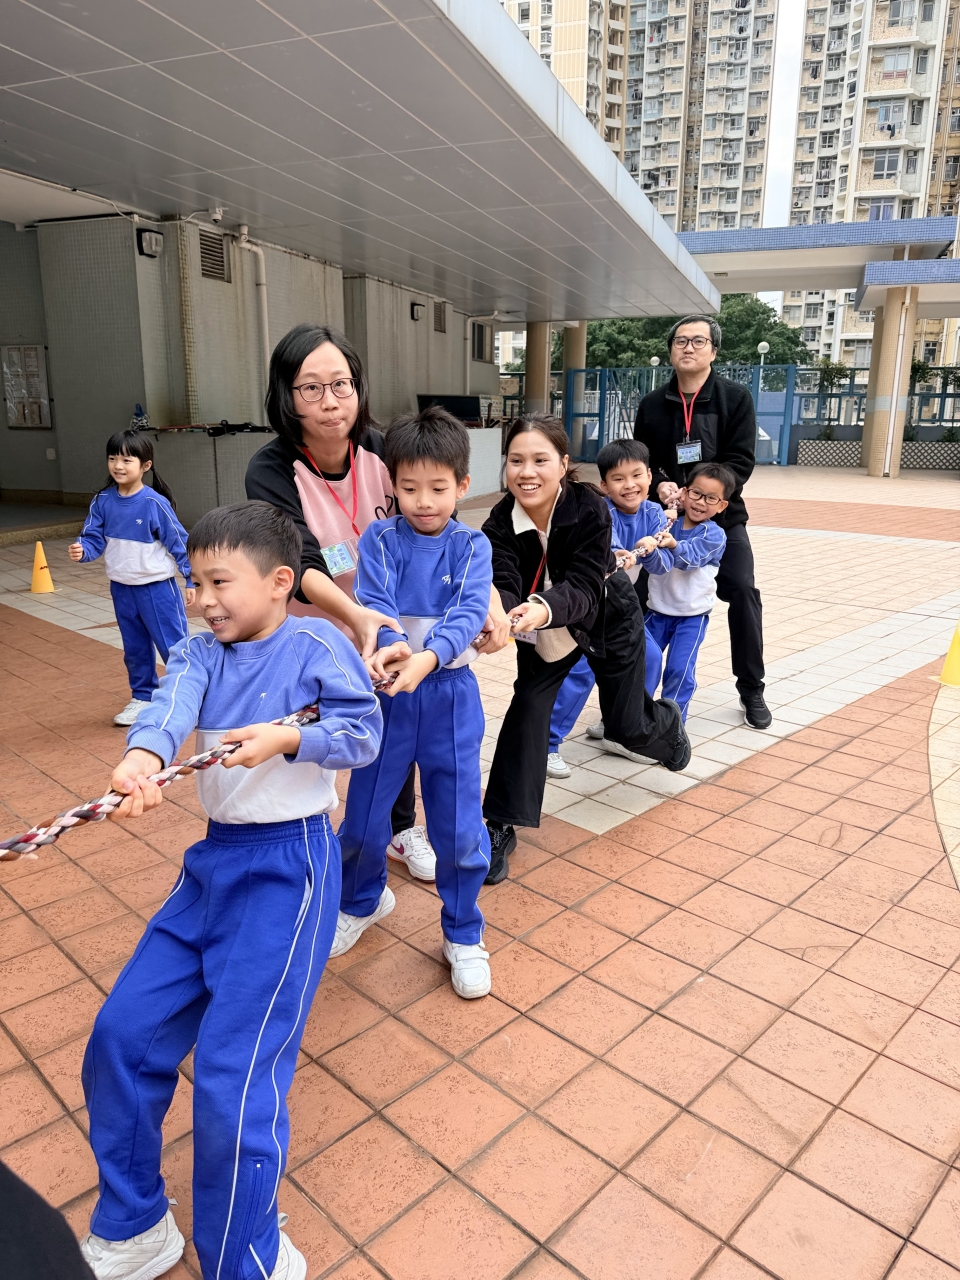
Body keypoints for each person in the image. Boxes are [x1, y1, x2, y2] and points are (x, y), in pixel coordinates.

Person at [79, 502, 382, 1280]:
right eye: (195, 582)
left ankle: (243, 1255)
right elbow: (170, 706)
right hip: (212, 865)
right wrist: (143, 758)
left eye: (220, 582)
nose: (203, 599)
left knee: (234, 1074)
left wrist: (291, 737)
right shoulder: (198, 652)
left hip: (292, 869)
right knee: (121, 1034)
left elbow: (363, 732)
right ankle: (134, 1224)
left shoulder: (316, 643)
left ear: (280, 582)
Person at [246, 324, 509, 883]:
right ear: (286, 395)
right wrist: (359, 617)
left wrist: (484, 596)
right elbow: (299, 562)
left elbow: (441, 520)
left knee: (397, 734)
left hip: (394, 633)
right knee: (334, 754)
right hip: (325, 631)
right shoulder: (270, 469)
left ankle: (401, 832)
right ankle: (313, 862)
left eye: (340, 384)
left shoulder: (382, 448)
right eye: (310, 387)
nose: (329, 401)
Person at [481, 413, 691, 883]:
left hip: (606, 617)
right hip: (541, 630)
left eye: (540, 460)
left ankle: (667, 725)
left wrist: (539, 609)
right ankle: (498, 825)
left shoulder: (589, 507)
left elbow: (583, 584)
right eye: (516, 460)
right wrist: (505, 615)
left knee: (626, 726)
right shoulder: (499, 522)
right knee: (527, 710)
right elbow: (504, 581)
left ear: (563, 464)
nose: (527, 472)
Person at [331, 407, 493, 998]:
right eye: (409, 487)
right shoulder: (378, 539)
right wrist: (397, 647)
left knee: (459, 825)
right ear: (392, 486)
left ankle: (463, 931)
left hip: (450, 695)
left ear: (462, 485)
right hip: (388, 696)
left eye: (438, 488)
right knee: (364, 815)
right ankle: (360, 900)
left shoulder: (472, 545)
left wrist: (428, 658)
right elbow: (375, 601)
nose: (423, 501)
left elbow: (470, 611)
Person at [633, 314, 772, 730]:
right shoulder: (652, 405)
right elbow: (642, 460)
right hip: (666, 519)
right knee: (635, 595)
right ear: (670, 350)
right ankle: (629, 696)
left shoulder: (735, 398)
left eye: (698, 341)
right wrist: (659, 484)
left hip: (720, 518)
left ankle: (751, 688)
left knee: (742, 590)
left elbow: (740, 461)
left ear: (713, 350)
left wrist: (699, 493)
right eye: (680, 341)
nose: (688, 348)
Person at [547, 438, 671, 778]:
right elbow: (602, 553)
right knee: (582, 671)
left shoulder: (654, 513)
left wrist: (652, 549)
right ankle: (547, 743)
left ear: (650, 476)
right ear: (604, 485)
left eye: (637, 475)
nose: (629, 485)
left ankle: (621, 726)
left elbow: (663, 566)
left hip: (622, 607)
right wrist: (618, 554)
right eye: (618, 478)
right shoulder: (599, 511)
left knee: (649, 657)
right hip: (590, 605)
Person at [69, 430, 193, 727]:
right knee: (135, 647)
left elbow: (180, 543)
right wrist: (82, 550)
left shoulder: (154, 503)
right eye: (113, 458)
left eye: (127, 460)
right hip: (122, 588)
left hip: (157, 588)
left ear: (145, 465)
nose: (118, 465)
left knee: (173, 645)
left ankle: (189, 695)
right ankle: (143, 696)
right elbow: (92, 538)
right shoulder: (102, 501)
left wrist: (193, 579)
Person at [645, 461, 732, 721]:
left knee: (679, 670)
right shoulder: (666, 522)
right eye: (696, 493)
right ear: (684, 492)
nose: (701, 502)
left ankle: (672, 724)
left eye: (711, 498)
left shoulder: (715, 535)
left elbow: (691, 558)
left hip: (691, 617)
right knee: (640, 663)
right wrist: (662, 520)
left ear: (722, 505)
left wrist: (673, 544)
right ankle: (630, 717)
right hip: (656, 612)